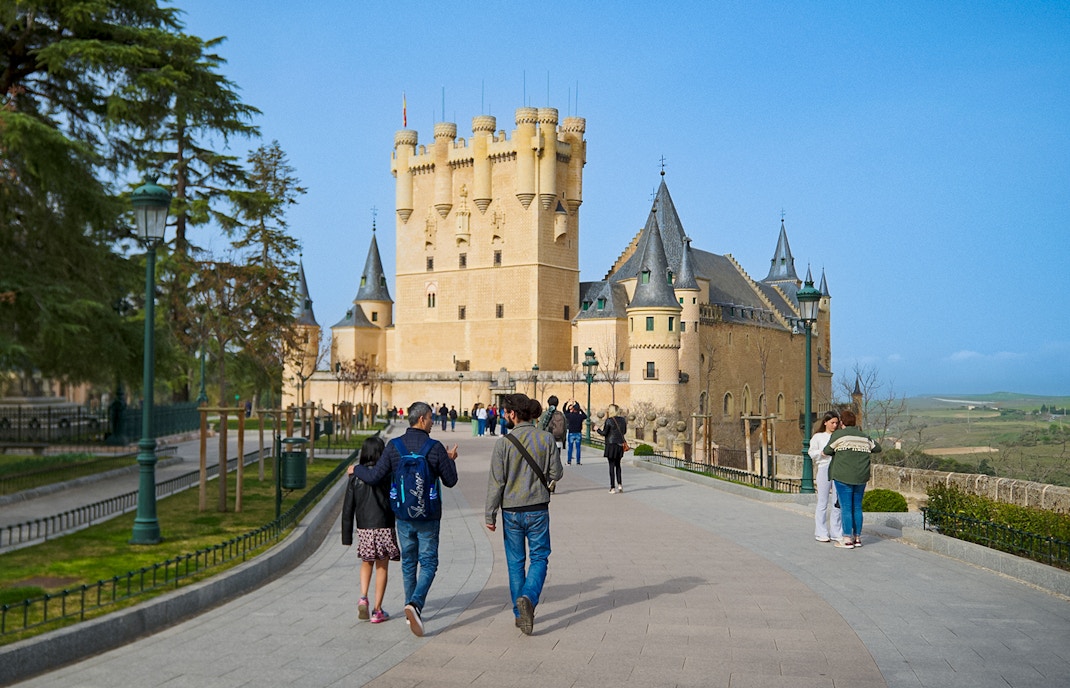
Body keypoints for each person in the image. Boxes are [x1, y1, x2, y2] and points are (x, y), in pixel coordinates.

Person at [351, 402, 459, 636]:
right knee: (429, 563)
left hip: (403, 516)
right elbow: (451, 481)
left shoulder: (394, 446)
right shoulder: (435, 447)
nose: (432, 422)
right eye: (430, 418)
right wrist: (450, 459)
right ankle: (415, 605)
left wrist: (355, 470)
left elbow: (374, 476)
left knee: (409, 563)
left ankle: (411, 610)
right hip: (429, 517)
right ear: (421, 419)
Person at [485, 393, 563, 635]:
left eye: (507, 412)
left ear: (514, 414)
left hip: (511, 511)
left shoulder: (503, 443)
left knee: (515, 563)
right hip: (538, 508)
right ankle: (529, 598)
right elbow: (556, 473)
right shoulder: (546, 439)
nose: (505, 415)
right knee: (539, 558)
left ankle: (520, 615)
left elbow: (496, 482)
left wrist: (490, 514)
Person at [341, 436, 399, 624]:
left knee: (367, 562)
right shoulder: (387, 475)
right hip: (384, 525)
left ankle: (363, 596)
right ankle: (377, 610)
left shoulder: (355, 478)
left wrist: (346, 536)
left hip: (364, 528)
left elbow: (348, 508)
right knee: (382, 566)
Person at [824, 409, 881, 549]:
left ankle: (847, 539)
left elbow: (827, 450)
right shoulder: (864, 436)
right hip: (861, 476)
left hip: (843, 476)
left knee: (846, 507)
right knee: (857, 507)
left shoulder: (839, 434)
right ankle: (857, 538)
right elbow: (877, 448)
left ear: (841, 422)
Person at [809, 410, 843, 544]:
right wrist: (821, 453)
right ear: (826, 422)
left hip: (837, 469)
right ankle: (821, 531)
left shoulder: (840, 436)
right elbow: (811, 453)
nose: (834, 425)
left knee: (836, 502)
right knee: (822, 501)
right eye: (832, 422)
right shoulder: (818, 437)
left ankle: (836, 531)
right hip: (824, 468)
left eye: (836, 423)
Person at [597, 404, 627, 493]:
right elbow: (624, 431)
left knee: (611, 466)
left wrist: (597, 429)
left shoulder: (609, 420)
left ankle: (612, 487)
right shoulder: (622, 420)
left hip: (611, 445)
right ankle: (620, 485)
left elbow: (605, 433)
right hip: (619, 445)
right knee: (618, 465)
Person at [563, 400, 587, 465]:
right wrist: (581, 410)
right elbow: (585, 416)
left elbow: (565, 412)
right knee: (578, 448)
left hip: (571, 433)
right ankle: (578, 462)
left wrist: (566, 403)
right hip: (578, 433)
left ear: (573, 409)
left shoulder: (570, 415)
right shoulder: (580, 416)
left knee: (570, 448)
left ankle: (569, 461)